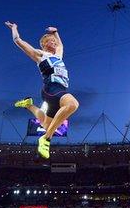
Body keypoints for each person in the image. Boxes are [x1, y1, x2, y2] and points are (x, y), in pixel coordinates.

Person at [5, 21, 79, 159]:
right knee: (72, 104)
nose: (55, 43)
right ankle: (46, 139)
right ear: (44, 44)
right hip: (51, 89)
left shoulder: (58, 56)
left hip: (61, 89)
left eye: (54, 41)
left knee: (46, 124)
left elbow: (61, 45)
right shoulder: (40, 55)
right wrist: (14, 28)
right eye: (51, 41)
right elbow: (18, 41)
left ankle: (28, 104)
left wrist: (55, 32)